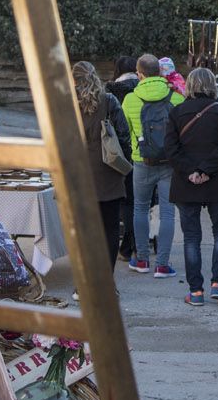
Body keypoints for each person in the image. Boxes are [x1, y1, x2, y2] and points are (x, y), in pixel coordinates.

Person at [168, 67, 218, 306]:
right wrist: (206, 170)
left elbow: (171, 150)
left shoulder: (176, 112)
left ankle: (195, 291)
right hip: (216, 180)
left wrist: (192, 172)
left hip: (186, 183)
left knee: (191, 237)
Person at [122, 53, 185, 278]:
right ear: (160, 71)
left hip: (142, 161)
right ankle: (162, 264)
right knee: (168, 213)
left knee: (140, 208)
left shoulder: (130, 99)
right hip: (169, 163)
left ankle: (141, 260)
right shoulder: (176, 97)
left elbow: (127, 131)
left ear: (139, 74)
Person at [73, 61, 132, 274]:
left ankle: (85, 284)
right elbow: (124, 137)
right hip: (108, 172)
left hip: (80, 175)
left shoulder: (67, 106)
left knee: (84, 233)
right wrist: (126, 165)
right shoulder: (109, 102)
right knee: (110, 229)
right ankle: (107, 281)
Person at [105, 56, 141, 261]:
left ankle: (123, 248)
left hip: (113, 153)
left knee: (120, 202)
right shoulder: (142, 89)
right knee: (138, 203)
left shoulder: (110, 92)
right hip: (142, 152)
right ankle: (134, 246)